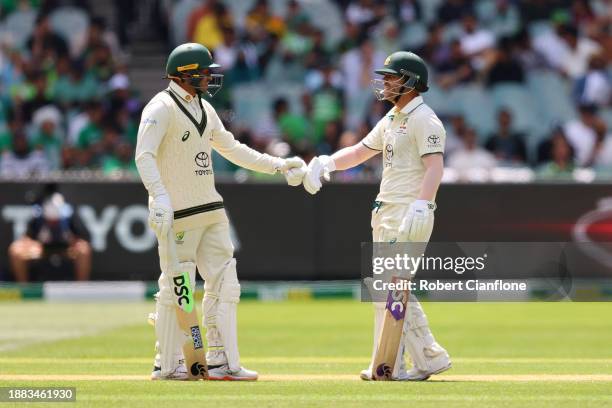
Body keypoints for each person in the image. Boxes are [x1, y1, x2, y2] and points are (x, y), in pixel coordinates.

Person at [135, 43, 306, 381]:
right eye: (204, 72)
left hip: (211, 208)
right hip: (178, 212)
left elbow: (232, 149)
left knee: (226, 282)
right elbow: (144, 156)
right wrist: (160, 197)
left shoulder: (205, 108)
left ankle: (222, 360)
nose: (209, 78)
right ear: (185, 75)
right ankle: (167, 364)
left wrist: (278, 166)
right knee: (176, 286)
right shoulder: (160, 107)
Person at [302, 51, 451, 381]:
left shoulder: (425, 119)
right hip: (386, 211)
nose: (384, 83)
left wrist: (422, 205)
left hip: (408, 212)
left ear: (410, 82)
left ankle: (421, 357)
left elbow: (435, 166)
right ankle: (398, 362)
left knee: (392, 287)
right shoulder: (391, 119)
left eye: (391, 77)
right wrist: (327, 163)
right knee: (386, 289)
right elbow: (358, 152)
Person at [8, 185, 91, 282]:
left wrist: (72, 241)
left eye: (56, 220)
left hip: (65, 249)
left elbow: (79, 239)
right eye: (50, 221)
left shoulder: (68, 218)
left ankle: (81, 288)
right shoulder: (38, 219)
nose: (53, 223)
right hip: (42, 250)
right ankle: (24, 288)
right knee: (15, 249)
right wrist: (34, 245)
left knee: (84, 249)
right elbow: (27, 238)